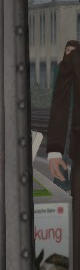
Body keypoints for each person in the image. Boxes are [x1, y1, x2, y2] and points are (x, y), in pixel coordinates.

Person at [48, 40, 80, 186]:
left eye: (74, 52)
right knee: (63, 145)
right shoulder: (60, 68)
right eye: (68, 51)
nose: (70, 54)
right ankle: (61, 181)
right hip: (65, 111)